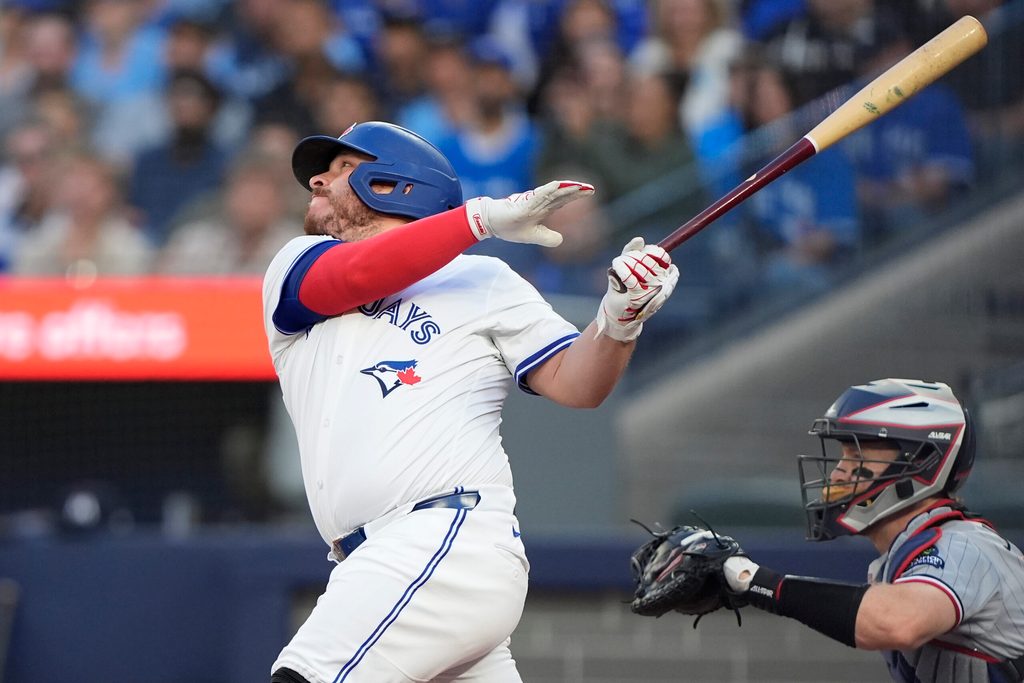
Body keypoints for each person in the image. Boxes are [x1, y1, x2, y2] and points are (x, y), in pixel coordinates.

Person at [261, 120, 680, 683]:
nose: (316, 180)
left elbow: (578, 384)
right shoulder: (297, 264)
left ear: (393, 185)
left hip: (442, 537)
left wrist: (618, 320)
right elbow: (360, 272)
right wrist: (479, 218)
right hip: (371, 563)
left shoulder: (482, 280)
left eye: (339, 168)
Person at [719, 378, 1024, 682]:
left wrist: (754, 582)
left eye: (857, 455)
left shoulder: (963, 545)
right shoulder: (905, 553)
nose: (838, 473)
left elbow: (899, 623)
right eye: (843, 455)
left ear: (921, 461)